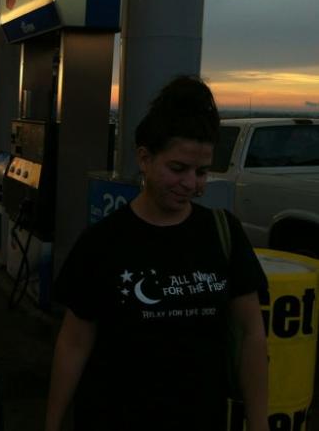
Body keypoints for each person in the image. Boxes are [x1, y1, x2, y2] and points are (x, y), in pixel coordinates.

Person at [45, 76, 269, 431]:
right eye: (177, 169)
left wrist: (259, 423)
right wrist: (52, 423)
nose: (191, 183)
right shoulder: (103, 241)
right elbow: (74, 342)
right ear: (144, 158)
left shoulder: (223, 232)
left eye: (201, 172)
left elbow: (251, 334)